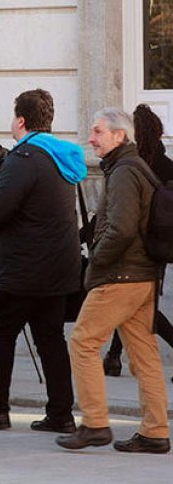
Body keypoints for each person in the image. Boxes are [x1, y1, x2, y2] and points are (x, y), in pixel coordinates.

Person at [0, 88, 85, 433]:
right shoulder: (57, 155)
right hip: (59, 270)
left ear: (21, 119)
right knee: (51, 340)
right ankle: (61, 414)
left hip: (23, 270)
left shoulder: (26, 159)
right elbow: (22, 173)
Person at [57, 108, 169, 454]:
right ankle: (156, 430)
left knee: (82, 342)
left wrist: (95, 265)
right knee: (144, 355)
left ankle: (94, 424)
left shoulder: (124, 171)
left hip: (121, 276)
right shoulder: (135, 167)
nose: (91, 138)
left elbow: (120, 227)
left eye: (97, 132)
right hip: (142, 275)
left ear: (119, 136)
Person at [102, 103, 173, 378]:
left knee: (142, 308)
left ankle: (115, 357)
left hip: (135, 247)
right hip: (159, 247)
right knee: (135, 306)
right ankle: (114, 356)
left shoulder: (132, 166)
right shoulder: (166, 166)